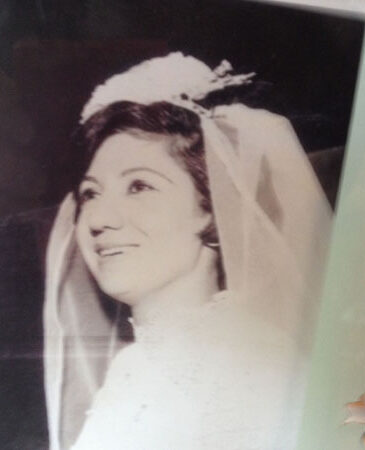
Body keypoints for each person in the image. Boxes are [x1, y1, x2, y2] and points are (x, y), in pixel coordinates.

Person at [43, 53, 332, 449]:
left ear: (211, 207)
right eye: (90, 193)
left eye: (139, 186)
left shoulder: (252, 367)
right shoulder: (132, 365)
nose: (98, 219)